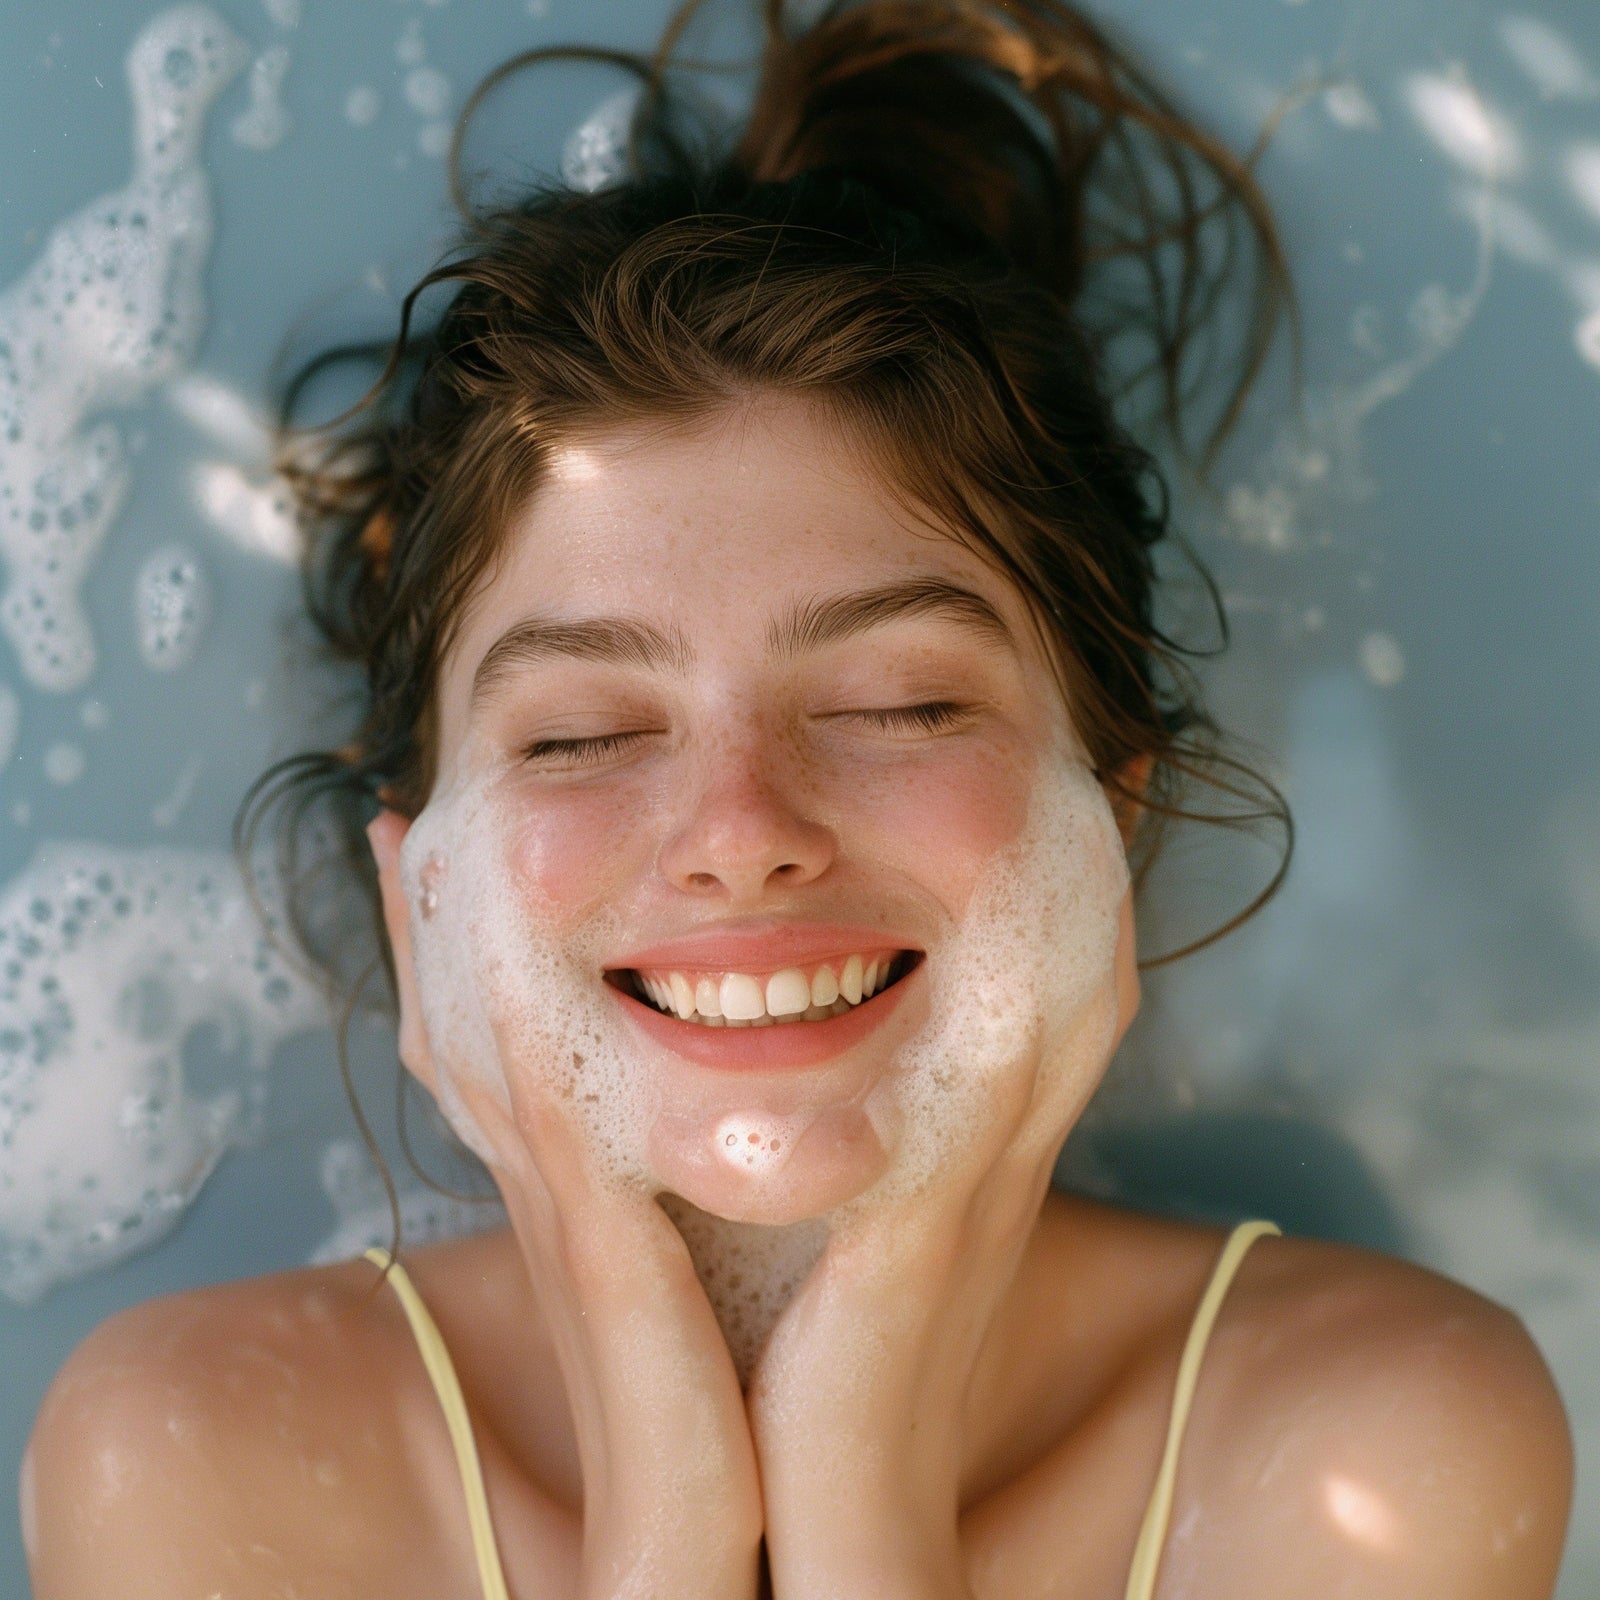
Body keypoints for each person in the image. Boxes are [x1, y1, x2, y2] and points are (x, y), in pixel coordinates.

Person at [22, 2, 1573, 1596]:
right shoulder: (212, 1460)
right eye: (579, 737)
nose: (742, 827)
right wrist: (665, 1524)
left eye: (898, 704)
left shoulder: (1365, 1442)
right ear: (425, 887)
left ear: (1112, 826)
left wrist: (866, 1504)